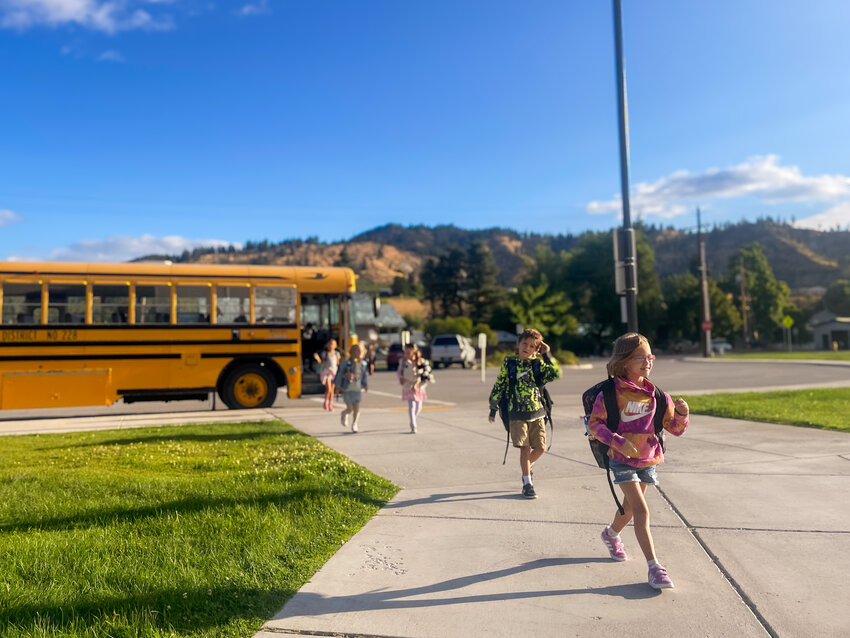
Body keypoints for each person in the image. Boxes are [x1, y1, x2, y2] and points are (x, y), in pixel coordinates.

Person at [587, 332, 689, 590]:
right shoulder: (611, 394)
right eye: (640, 357)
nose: (648, 362)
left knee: (630, 509)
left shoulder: (657, 395)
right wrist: (618, 441)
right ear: (624, 362)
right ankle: (655, 568)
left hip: (648, 459)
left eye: (650, 356)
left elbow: (674, 429)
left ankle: (610, 534)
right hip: (620, 459)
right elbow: (595, 425)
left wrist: (683, 416)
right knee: (642, 511)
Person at [488, 328, 561, 499]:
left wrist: (548, 355)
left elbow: (556, 373)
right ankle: (527, 483)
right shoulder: (509, 363)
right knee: (525, 449)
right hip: (517, 413)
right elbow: (499, 385)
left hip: (537, 412)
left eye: (532, 346)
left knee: (541, 448)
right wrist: (493, 408)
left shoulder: (538, 364)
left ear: (537, 350)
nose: (527, 348)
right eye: (524, 344)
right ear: (518, 344)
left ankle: (526, 468)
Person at [398, 343, 433, 433]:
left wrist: (418, 383)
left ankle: (413, 418)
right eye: (405, 353)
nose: (406, 355)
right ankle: (413, 425)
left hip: (418, 387)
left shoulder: (421, 362)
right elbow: (399, 372)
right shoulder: (403, 362)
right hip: (408, 385)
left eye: (408, 353)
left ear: (414, 353)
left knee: (418, 407)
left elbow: (425, 374)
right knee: (412, 406)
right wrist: (400, 378)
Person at [335, 343, 368, 432]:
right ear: (352, 351)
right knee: (350, 409)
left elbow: (364, 375)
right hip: (347, 388)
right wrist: (338, 387)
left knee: (356, 409)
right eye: (356, 350)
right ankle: (344, 413)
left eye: (359, 351)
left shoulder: (363, 364)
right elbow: (339, 375)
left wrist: (365, 384)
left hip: (357, 388)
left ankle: (354, 424)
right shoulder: (346, 364)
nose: (357, 353)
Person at [314, 338, 341, 411]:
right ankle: (326, 401)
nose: (330, 345)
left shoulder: (336, 354)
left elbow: (337, 364)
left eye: (332, 344)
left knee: (332, 390)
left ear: (335, 346)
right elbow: (321, 363)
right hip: (327, 373)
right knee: (328, 389)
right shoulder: (325, 354)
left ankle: (330, 404)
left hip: (334, 373)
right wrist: (317, 358)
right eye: (329, 344)